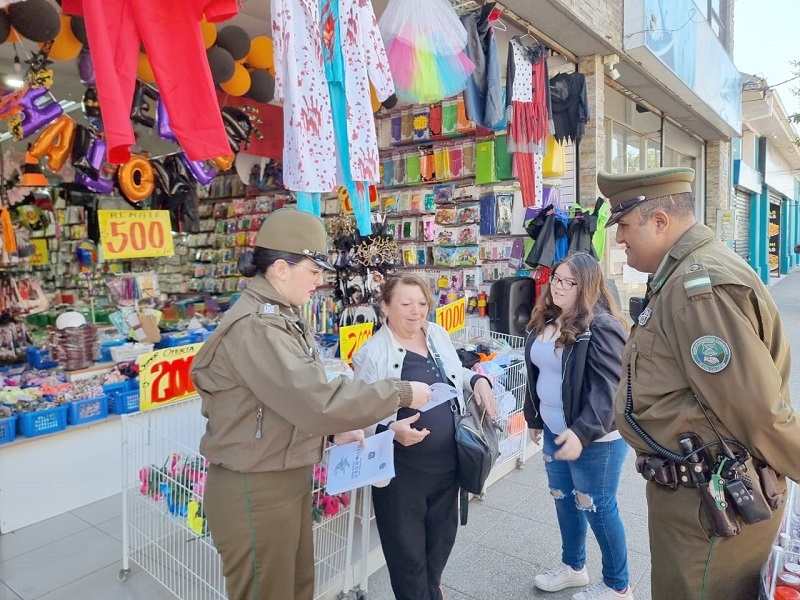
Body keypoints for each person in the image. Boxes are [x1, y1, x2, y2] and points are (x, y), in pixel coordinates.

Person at [190, 209, 431, 600]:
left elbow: (283, 401)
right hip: (258, 486)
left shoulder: (278, 317)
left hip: (279, 476)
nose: (320, 282)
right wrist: (399, 392)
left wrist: (335, 429)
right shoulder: (258, 327)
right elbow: (316, 399)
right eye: (314, 271)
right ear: (282, 269)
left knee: (295, 588)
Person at [598, 166, 800, 600]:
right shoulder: (683, 275)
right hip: (698, 500)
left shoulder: (696, 287)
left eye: (625, 226)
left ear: (660, 221)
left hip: (710, 507)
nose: (619, 239)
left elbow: (759, 410)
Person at [352, 274, 496, 600]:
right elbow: (355, 418)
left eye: (421, 304)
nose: (416, 312)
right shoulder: (371, 355)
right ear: (385, 307)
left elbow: (455, 374)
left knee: (439, 549)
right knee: (407, 561)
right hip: (402, 479)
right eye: (406, 304)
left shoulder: (438, 335)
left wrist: (477, 380)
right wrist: (389, 431)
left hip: (447, 471)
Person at [524, 252, 633, 600]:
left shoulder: (601, 326)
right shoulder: (548, 318)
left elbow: (610, 391)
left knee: (597, 506)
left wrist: (581, 433)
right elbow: (536, 375)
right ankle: (573, 567)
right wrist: (535, 419)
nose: (558, 287)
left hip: (594, 438)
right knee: (564, 500)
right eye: (556, 278)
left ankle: (619, 586)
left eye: (568, 282)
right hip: (557, 433)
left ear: (586, 286)